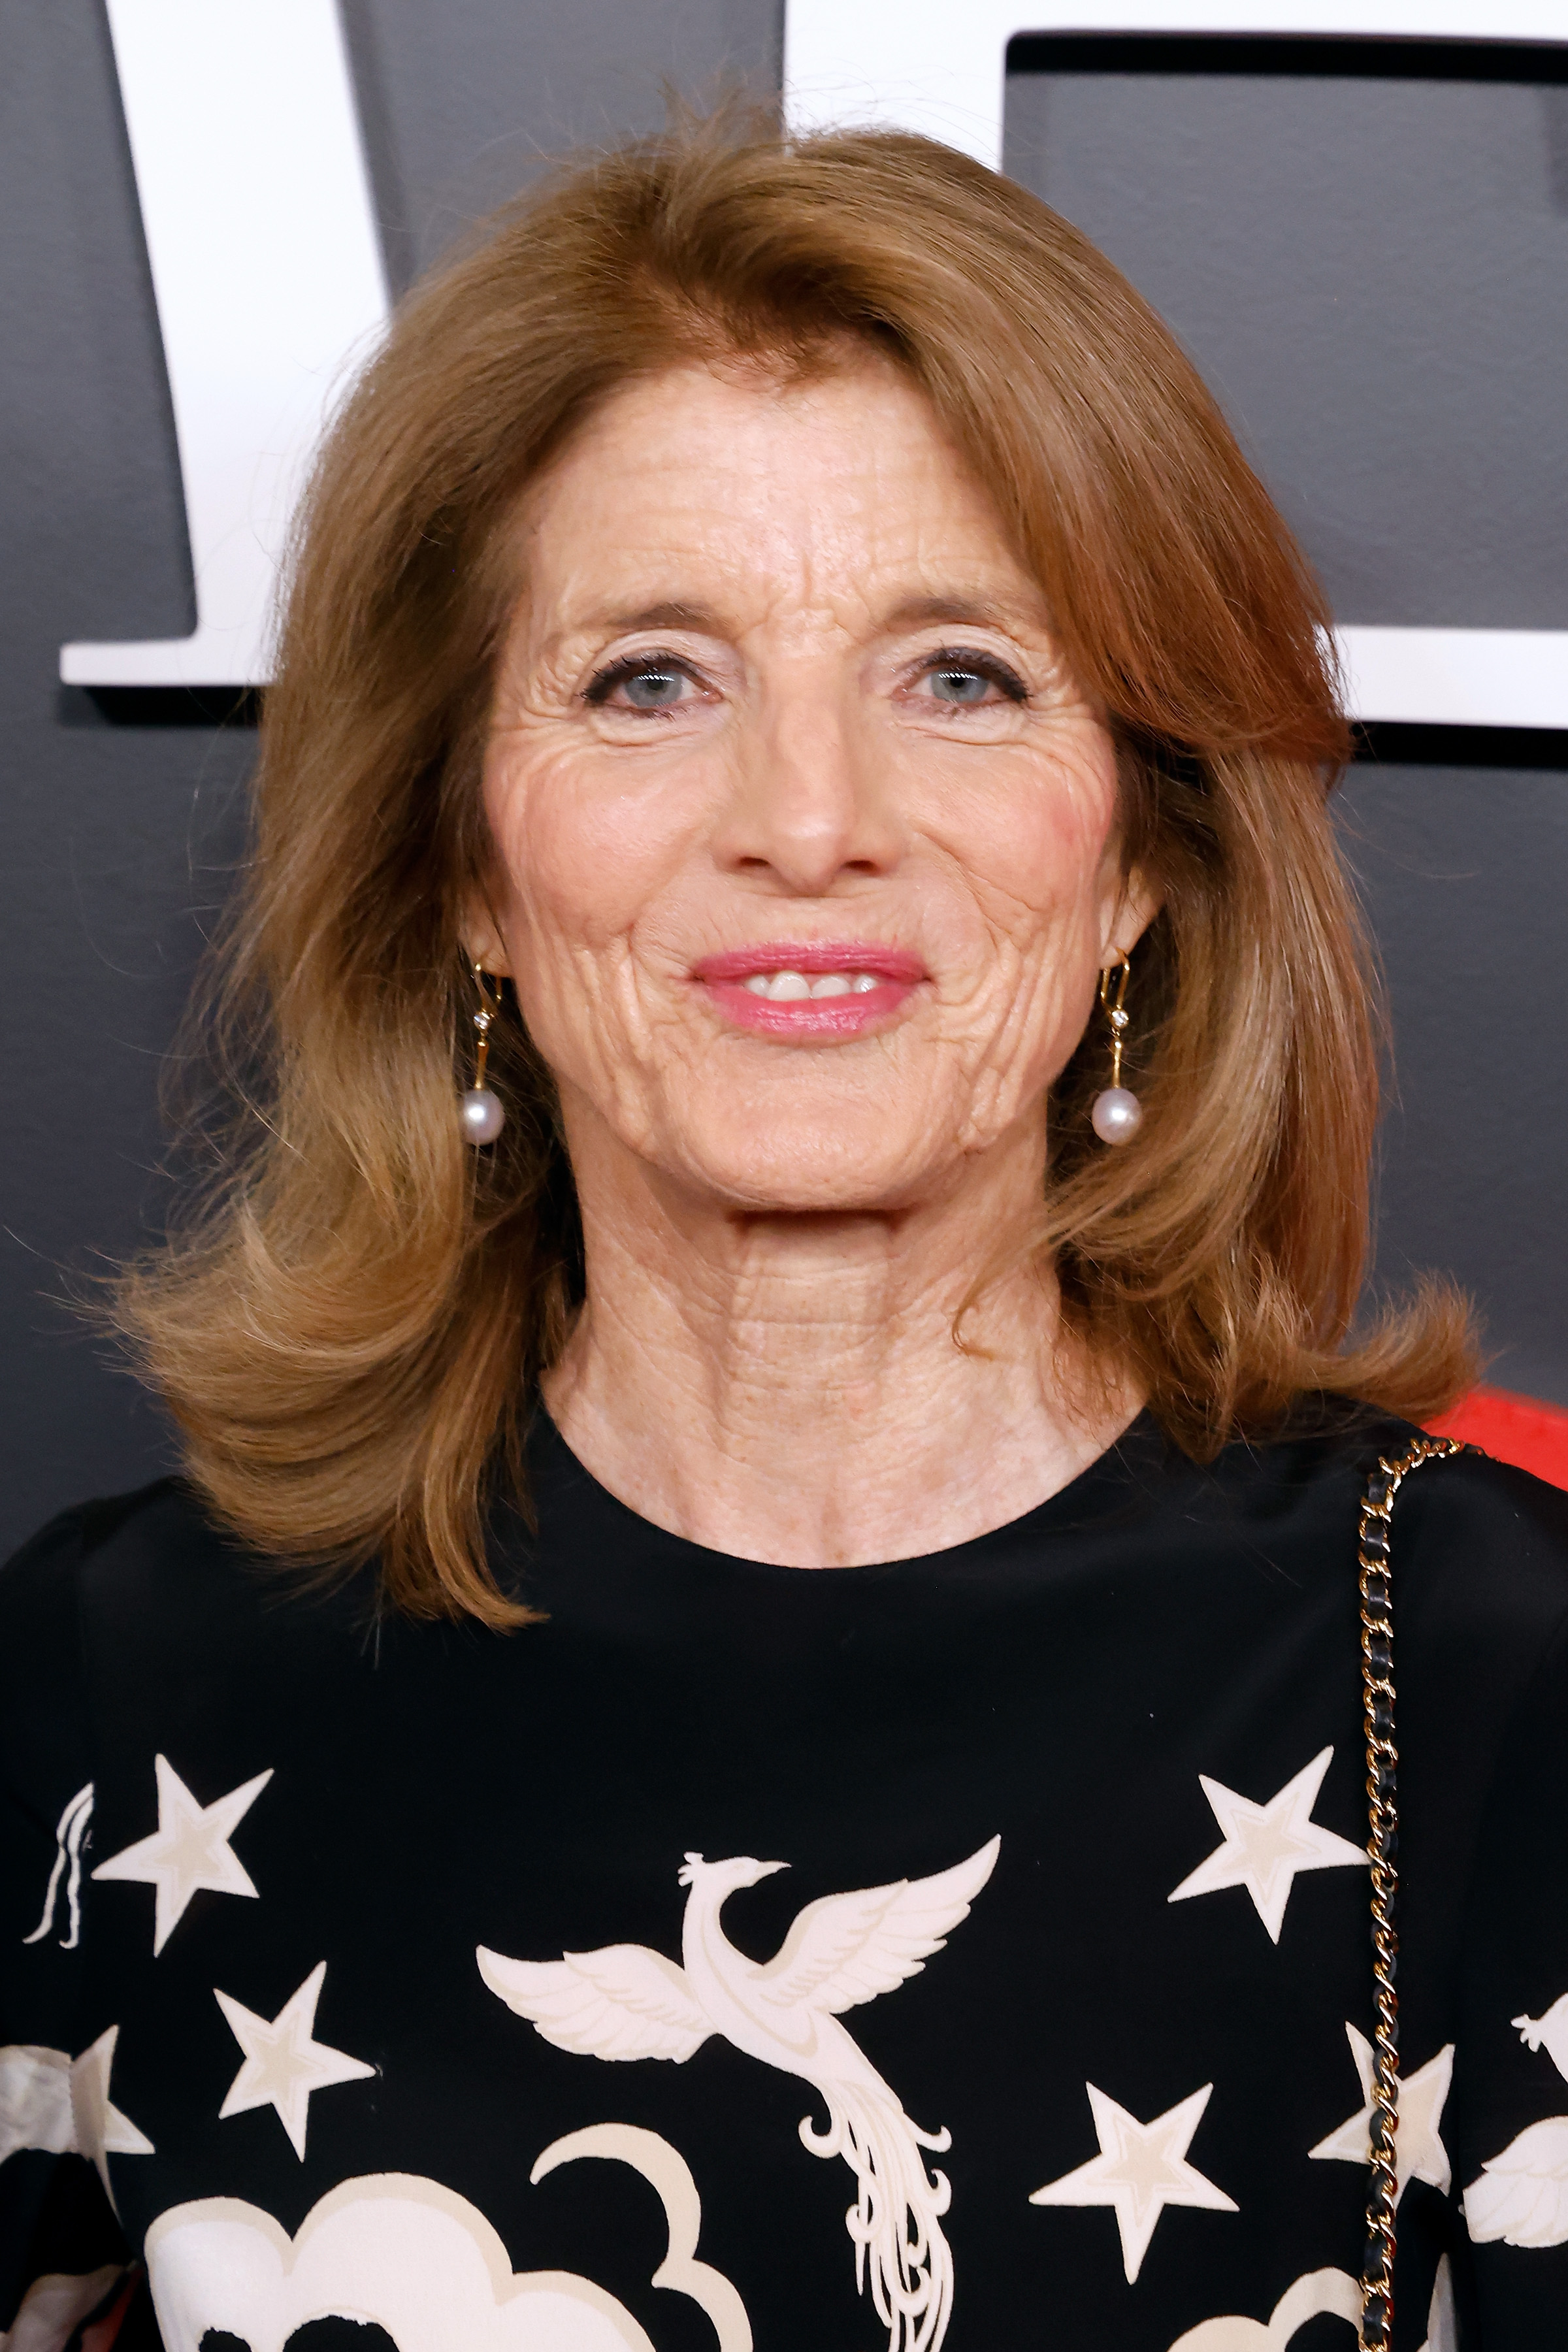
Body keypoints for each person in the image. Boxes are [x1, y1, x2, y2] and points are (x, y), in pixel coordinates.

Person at [3, 113, 1565, 2352]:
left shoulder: (1494, 1679)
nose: (807, 821)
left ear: (1137, 854)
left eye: (962, 677)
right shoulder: (103, 1690)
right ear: (460, 861)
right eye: (654, 678)